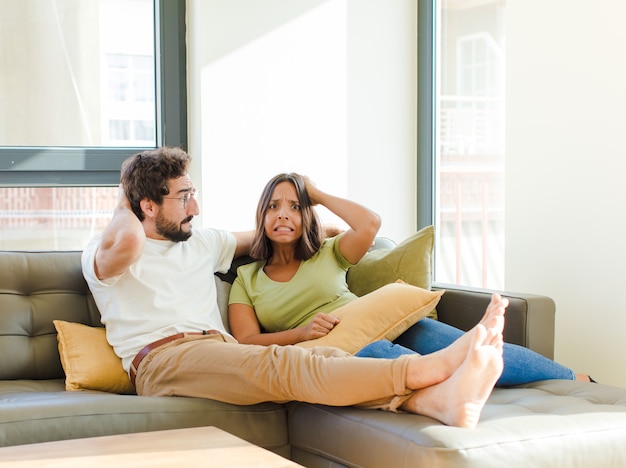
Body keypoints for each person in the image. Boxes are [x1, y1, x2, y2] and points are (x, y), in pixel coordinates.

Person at [81, 146, 508, 429]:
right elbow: (132, 239)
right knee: (282, 364)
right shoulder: (106, 255)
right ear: (147, 206)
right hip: (161, 359)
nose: (196, 207)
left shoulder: (204, 241)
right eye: (183, 197)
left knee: (320, 358)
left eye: (194, 194)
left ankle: (434, 402)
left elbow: (265, 236)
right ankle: (428, 368)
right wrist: (125, 198)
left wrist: (320, 231)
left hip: (221, 350)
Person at [228, 172, 591, 386]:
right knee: (385, 359)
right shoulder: (247, 277)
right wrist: (302, 333)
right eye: (273, 206)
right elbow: (246, 340)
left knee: (469, 345)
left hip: (390, 324)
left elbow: (370, 224)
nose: (283, 215)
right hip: (339, 350)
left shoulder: (328, 252)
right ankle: (451, 381)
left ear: (307, 215)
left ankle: (575, 380)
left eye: (294, 206)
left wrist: (317, 193)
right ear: (261, 216)